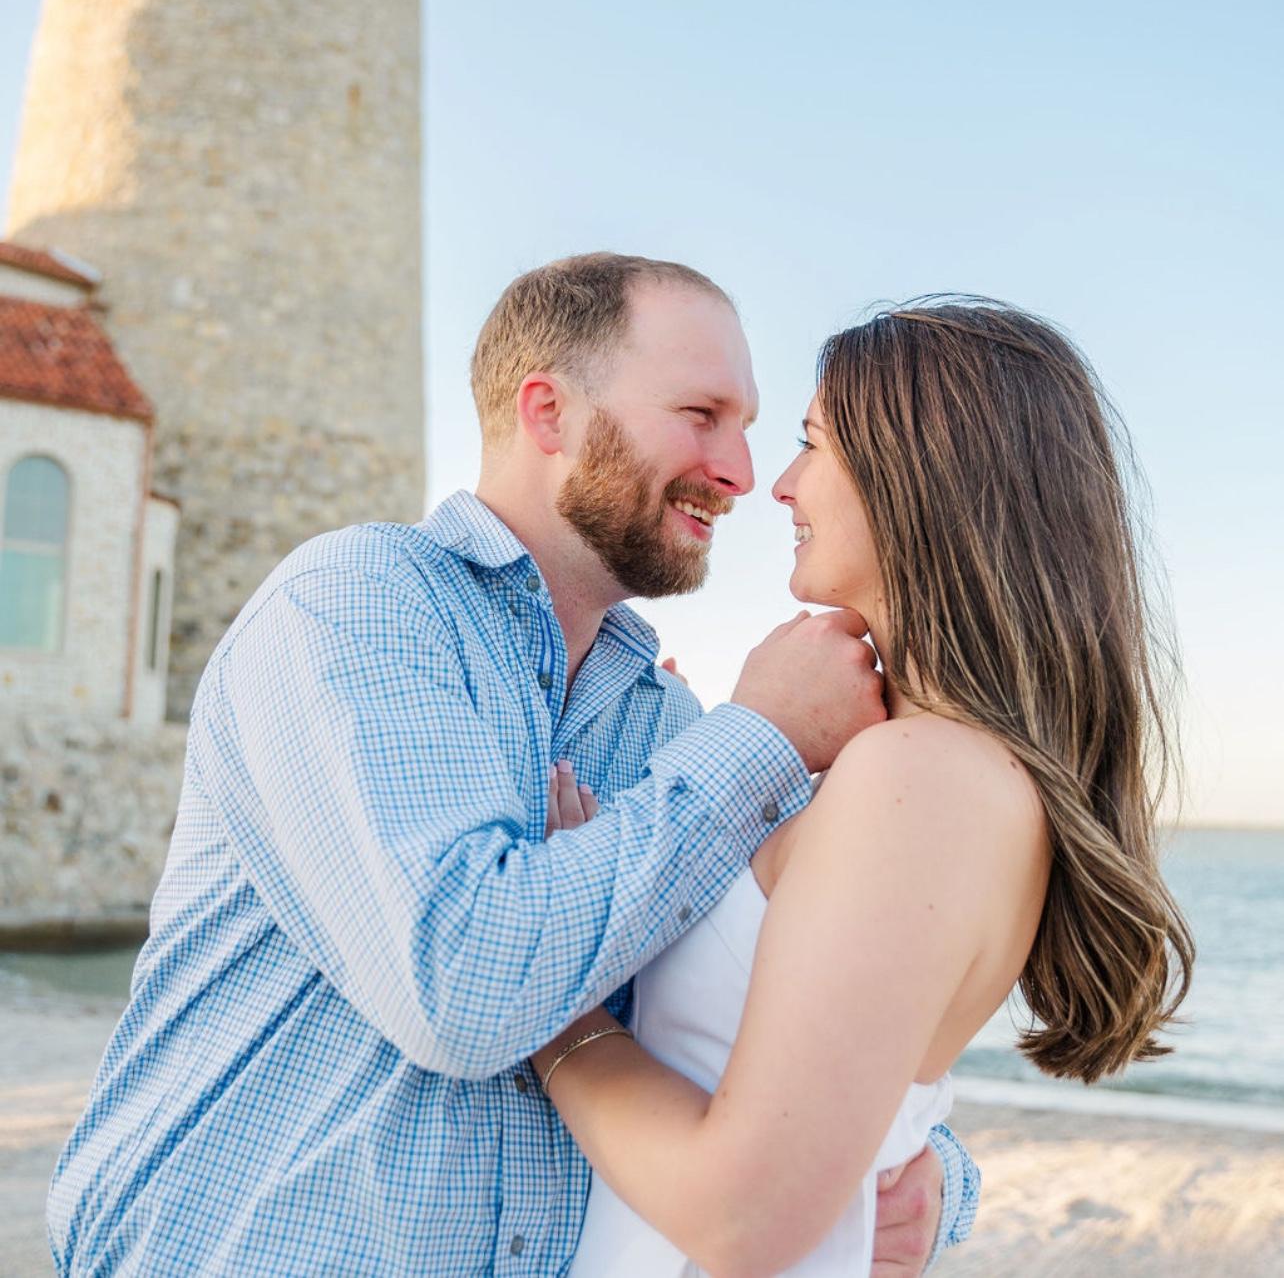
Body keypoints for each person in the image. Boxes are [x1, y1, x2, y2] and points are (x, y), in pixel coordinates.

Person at [46, 255, 978, 1276]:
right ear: (548, 413)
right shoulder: (356, 602)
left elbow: (789, 1010)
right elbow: (464, 986)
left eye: (748, 427)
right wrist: (761, 736)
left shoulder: (674, 730)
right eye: (701, 415)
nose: (742, 473)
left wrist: (936, 1179)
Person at [531, 298, 1196, 1277]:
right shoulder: (915, 767)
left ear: (918, 479)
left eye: (811, 443)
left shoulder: (921, 778)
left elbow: (745, 1221)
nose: (780, 485)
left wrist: (558, 1012)